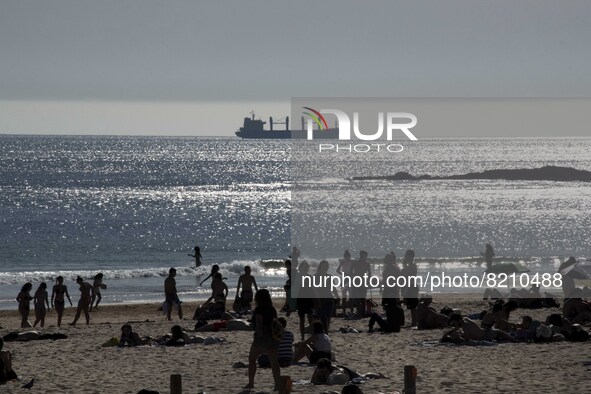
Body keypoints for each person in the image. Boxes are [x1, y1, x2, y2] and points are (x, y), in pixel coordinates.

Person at [244, 289, 280, 391]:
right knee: (274, 363)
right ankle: (277, 385)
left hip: (262, 337)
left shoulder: (259, 309)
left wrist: (259, 337)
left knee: (252, 359)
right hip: (273, 338)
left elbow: (259, 323)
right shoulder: (272, 309)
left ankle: (251, 383)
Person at [444, 313, 515, 342]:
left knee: (499, 332)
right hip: (485, 332)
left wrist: (459, 334)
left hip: (486, 335)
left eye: (455, 322)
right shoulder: (465, 319)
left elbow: (467, 339)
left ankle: (513, 338)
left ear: (459, 320)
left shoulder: (465, 325)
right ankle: (511, 337)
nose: (454, 324)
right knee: (499, 332)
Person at [314, 260, 339, 333]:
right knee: (321, 317)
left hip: (329, 299)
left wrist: (337, 297)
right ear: (320, 267)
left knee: (328, 317)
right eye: (323, 266)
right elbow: (314, 290)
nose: (325, 268)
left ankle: (326, 332)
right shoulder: (316, 276)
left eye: (326, 266)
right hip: (320, 299)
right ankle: (321, 332)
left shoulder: (330, 276)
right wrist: (317, 300)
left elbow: (333, 288)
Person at [294, 261, 314, 341]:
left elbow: (312, 289)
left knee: (310, 319)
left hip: (308, 299)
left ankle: (311, 335)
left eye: (306, 267)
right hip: (301, 299)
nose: (305, 269)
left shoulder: (309, 277)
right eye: (303, 267)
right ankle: (302, 337)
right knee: (302, 319)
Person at [401, 249, 419, 326]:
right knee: (411, 305)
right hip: (409, 285)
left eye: (407, 256)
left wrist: (404, 267)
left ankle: (414, 321)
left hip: (411, 286)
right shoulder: (410, 265)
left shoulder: (412, 266)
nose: (406, 257)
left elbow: (409, 276)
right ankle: (414, 321)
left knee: (412, 306)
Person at [351, 251, 371, 318]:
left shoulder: (367, 264)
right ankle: (358, 311)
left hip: (363, 280)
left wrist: (368, 281)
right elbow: (351, 271)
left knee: (363, 297)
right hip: (356, 280)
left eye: (366, 256)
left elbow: (370, 273)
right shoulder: (355, 262)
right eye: (364, 256)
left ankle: (362, 312)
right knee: (357, 297)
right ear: (360, 255)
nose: (365, 257)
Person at [336, 250, 354, 315]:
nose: (347, 258)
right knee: (344, 296)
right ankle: (344, 311)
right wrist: (343, 274)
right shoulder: (342, 262)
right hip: (344, 279)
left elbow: (353, 270)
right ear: (344, 257)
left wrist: (352, 275)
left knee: (351, 296)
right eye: (346, 257)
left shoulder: (352, 262)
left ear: (350, 256)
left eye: (348, 257)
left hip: (350, 279)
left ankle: (351, 310)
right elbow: (337, 270)